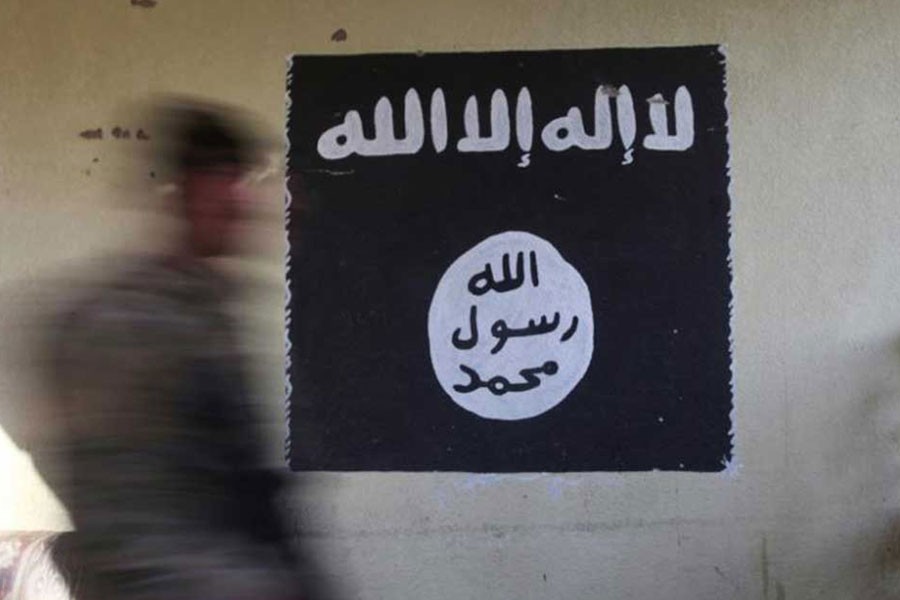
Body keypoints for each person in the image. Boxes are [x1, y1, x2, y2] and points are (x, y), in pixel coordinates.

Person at [38, 100, 308, 600]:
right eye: (232, 180)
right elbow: (132, 533)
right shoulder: (120, 324)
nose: (245, 203)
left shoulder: (207, 311)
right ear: (187, 187)